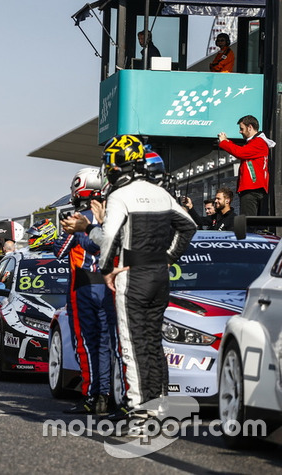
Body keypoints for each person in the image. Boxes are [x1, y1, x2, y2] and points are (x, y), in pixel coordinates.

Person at [62, 135, 195, 431]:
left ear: (118, 165)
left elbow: (107, 238)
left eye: (110, 163)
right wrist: (169, 257)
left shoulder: (121, 196)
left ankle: (138, 410)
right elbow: (189, 225)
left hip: (131, 276)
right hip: (159, 275)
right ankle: (159, 404)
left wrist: (108, 267)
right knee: (153, 340)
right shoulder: (161, 193)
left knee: (132, 344)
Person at [54, 167, 116, 415]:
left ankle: (93, 395)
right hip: (111, 284)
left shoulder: (79, 218)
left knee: (87, 344)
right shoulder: (113, 215)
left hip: (83, 285)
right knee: (110, 343)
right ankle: (112, 393)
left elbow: (60, 251)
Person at [218, 115, 276, 217]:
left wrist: (224, 142)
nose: (240, 132)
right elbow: (242, 151)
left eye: (241, 128)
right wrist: (227, 142)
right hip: (253, 188)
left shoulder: (259, 142)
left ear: (250, 127)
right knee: (251, 222)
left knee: (248, 223)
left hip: (252, 188)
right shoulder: (256, 142)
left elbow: (241, 152)